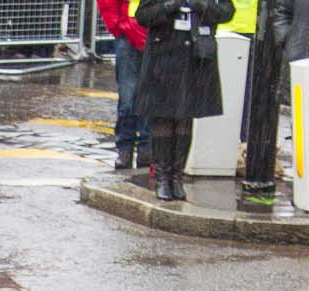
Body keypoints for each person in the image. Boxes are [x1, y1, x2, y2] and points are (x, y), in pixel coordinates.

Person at [134, 0, 235, 201]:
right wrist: (171, 5)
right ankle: (163, 178)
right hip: (163, 56)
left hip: (195, 57)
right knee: (163, 117)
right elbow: (143, 16)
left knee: (185, 118)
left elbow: (226, 12)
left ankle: (176, 178)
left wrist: (199, 5)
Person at [99, 0, 150, 171]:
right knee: (129, 98)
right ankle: (126, 148)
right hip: (128, 35)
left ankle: (144, 147)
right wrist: (119, 26)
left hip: (153, 33)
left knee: (147, 95)